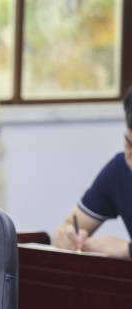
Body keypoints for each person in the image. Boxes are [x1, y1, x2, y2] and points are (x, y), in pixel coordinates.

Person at [53, 87, 132, 257]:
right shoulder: (119, 170)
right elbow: (69, 226)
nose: (130, 159)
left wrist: (127, 250)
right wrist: (67, 237)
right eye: (128, 144)